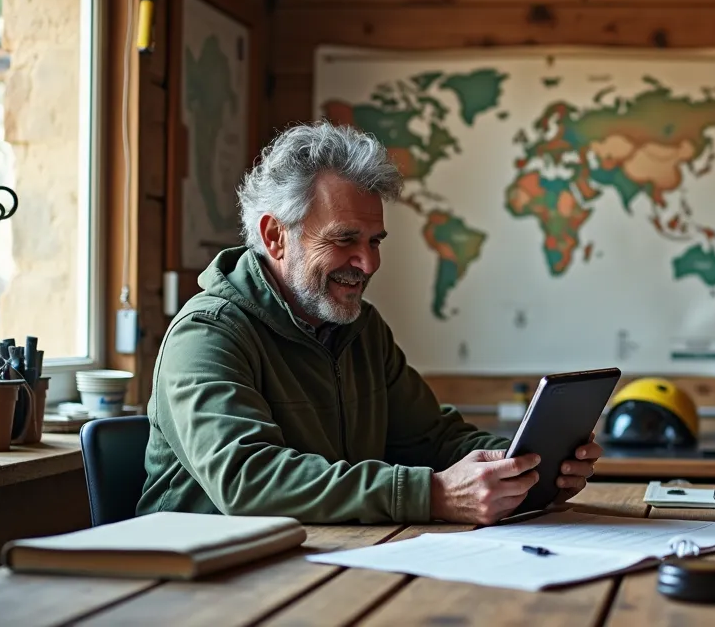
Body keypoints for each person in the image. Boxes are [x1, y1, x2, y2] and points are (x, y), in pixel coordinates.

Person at [136, 121, 602, 525]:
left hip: (320, 560)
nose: (367, 263)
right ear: (276, 237)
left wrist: (523, 464)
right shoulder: (207, 334)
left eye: (375, 241)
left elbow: (432, 438)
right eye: (344, 240)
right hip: (198, 585)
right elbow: (248, 480)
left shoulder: (360, 328)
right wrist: (435, 494)